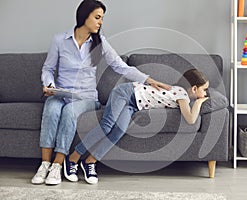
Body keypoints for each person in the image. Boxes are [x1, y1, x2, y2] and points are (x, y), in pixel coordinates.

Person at [31, 0, 170, 185]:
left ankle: (58, 165)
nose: (100, 22)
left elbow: (121, 66)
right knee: (51, 110)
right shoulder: (60, 40)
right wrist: (48, 84)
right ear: (84, 16)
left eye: (102, 19)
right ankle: (45, 164)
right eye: (97, 17)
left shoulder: (99, 43)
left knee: (69, 112)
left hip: (85, 97)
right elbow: (48, 69)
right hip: (60, 94)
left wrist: (148, 79)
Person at [65, 69, 209, 184]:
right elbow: (191, 119)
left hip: (134, 105)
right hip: (126, 92)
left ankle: (90, 161)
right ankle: (73, 158)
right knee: (107, 125)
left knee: (119, 130)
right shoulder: (182, 95)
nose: (206, 93)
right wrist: (199, 103)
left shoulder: (179, 92)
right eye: (204, 90)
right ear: (194, 88)